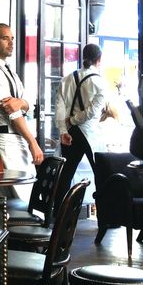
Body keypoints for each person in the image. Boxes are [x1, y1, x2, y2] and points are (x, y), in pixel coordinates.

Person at [0, 23, 44, 199]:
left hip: (17, 137)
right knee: (21, 197)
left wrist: (21, 103)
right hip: (5, 139)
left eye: (12, 38)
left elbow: (29, 105)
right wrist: (33, 142)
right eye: (5, 38)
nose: (11, 42)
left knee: (26, 196)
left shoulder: (10, 72)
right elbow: (13, 112)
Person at [54, 43, 106, 213]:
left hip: (71, 132)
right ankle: (105, 215)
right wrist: (74, 120)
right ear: (99, 59)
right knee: (101, 173)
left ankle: (58, 214)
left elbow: (59, 108)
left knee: (66, 174)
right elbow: (93, 112)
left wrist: (64, 129)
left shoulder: (67, 79)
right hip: (90, 133)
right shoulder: (99, 82)